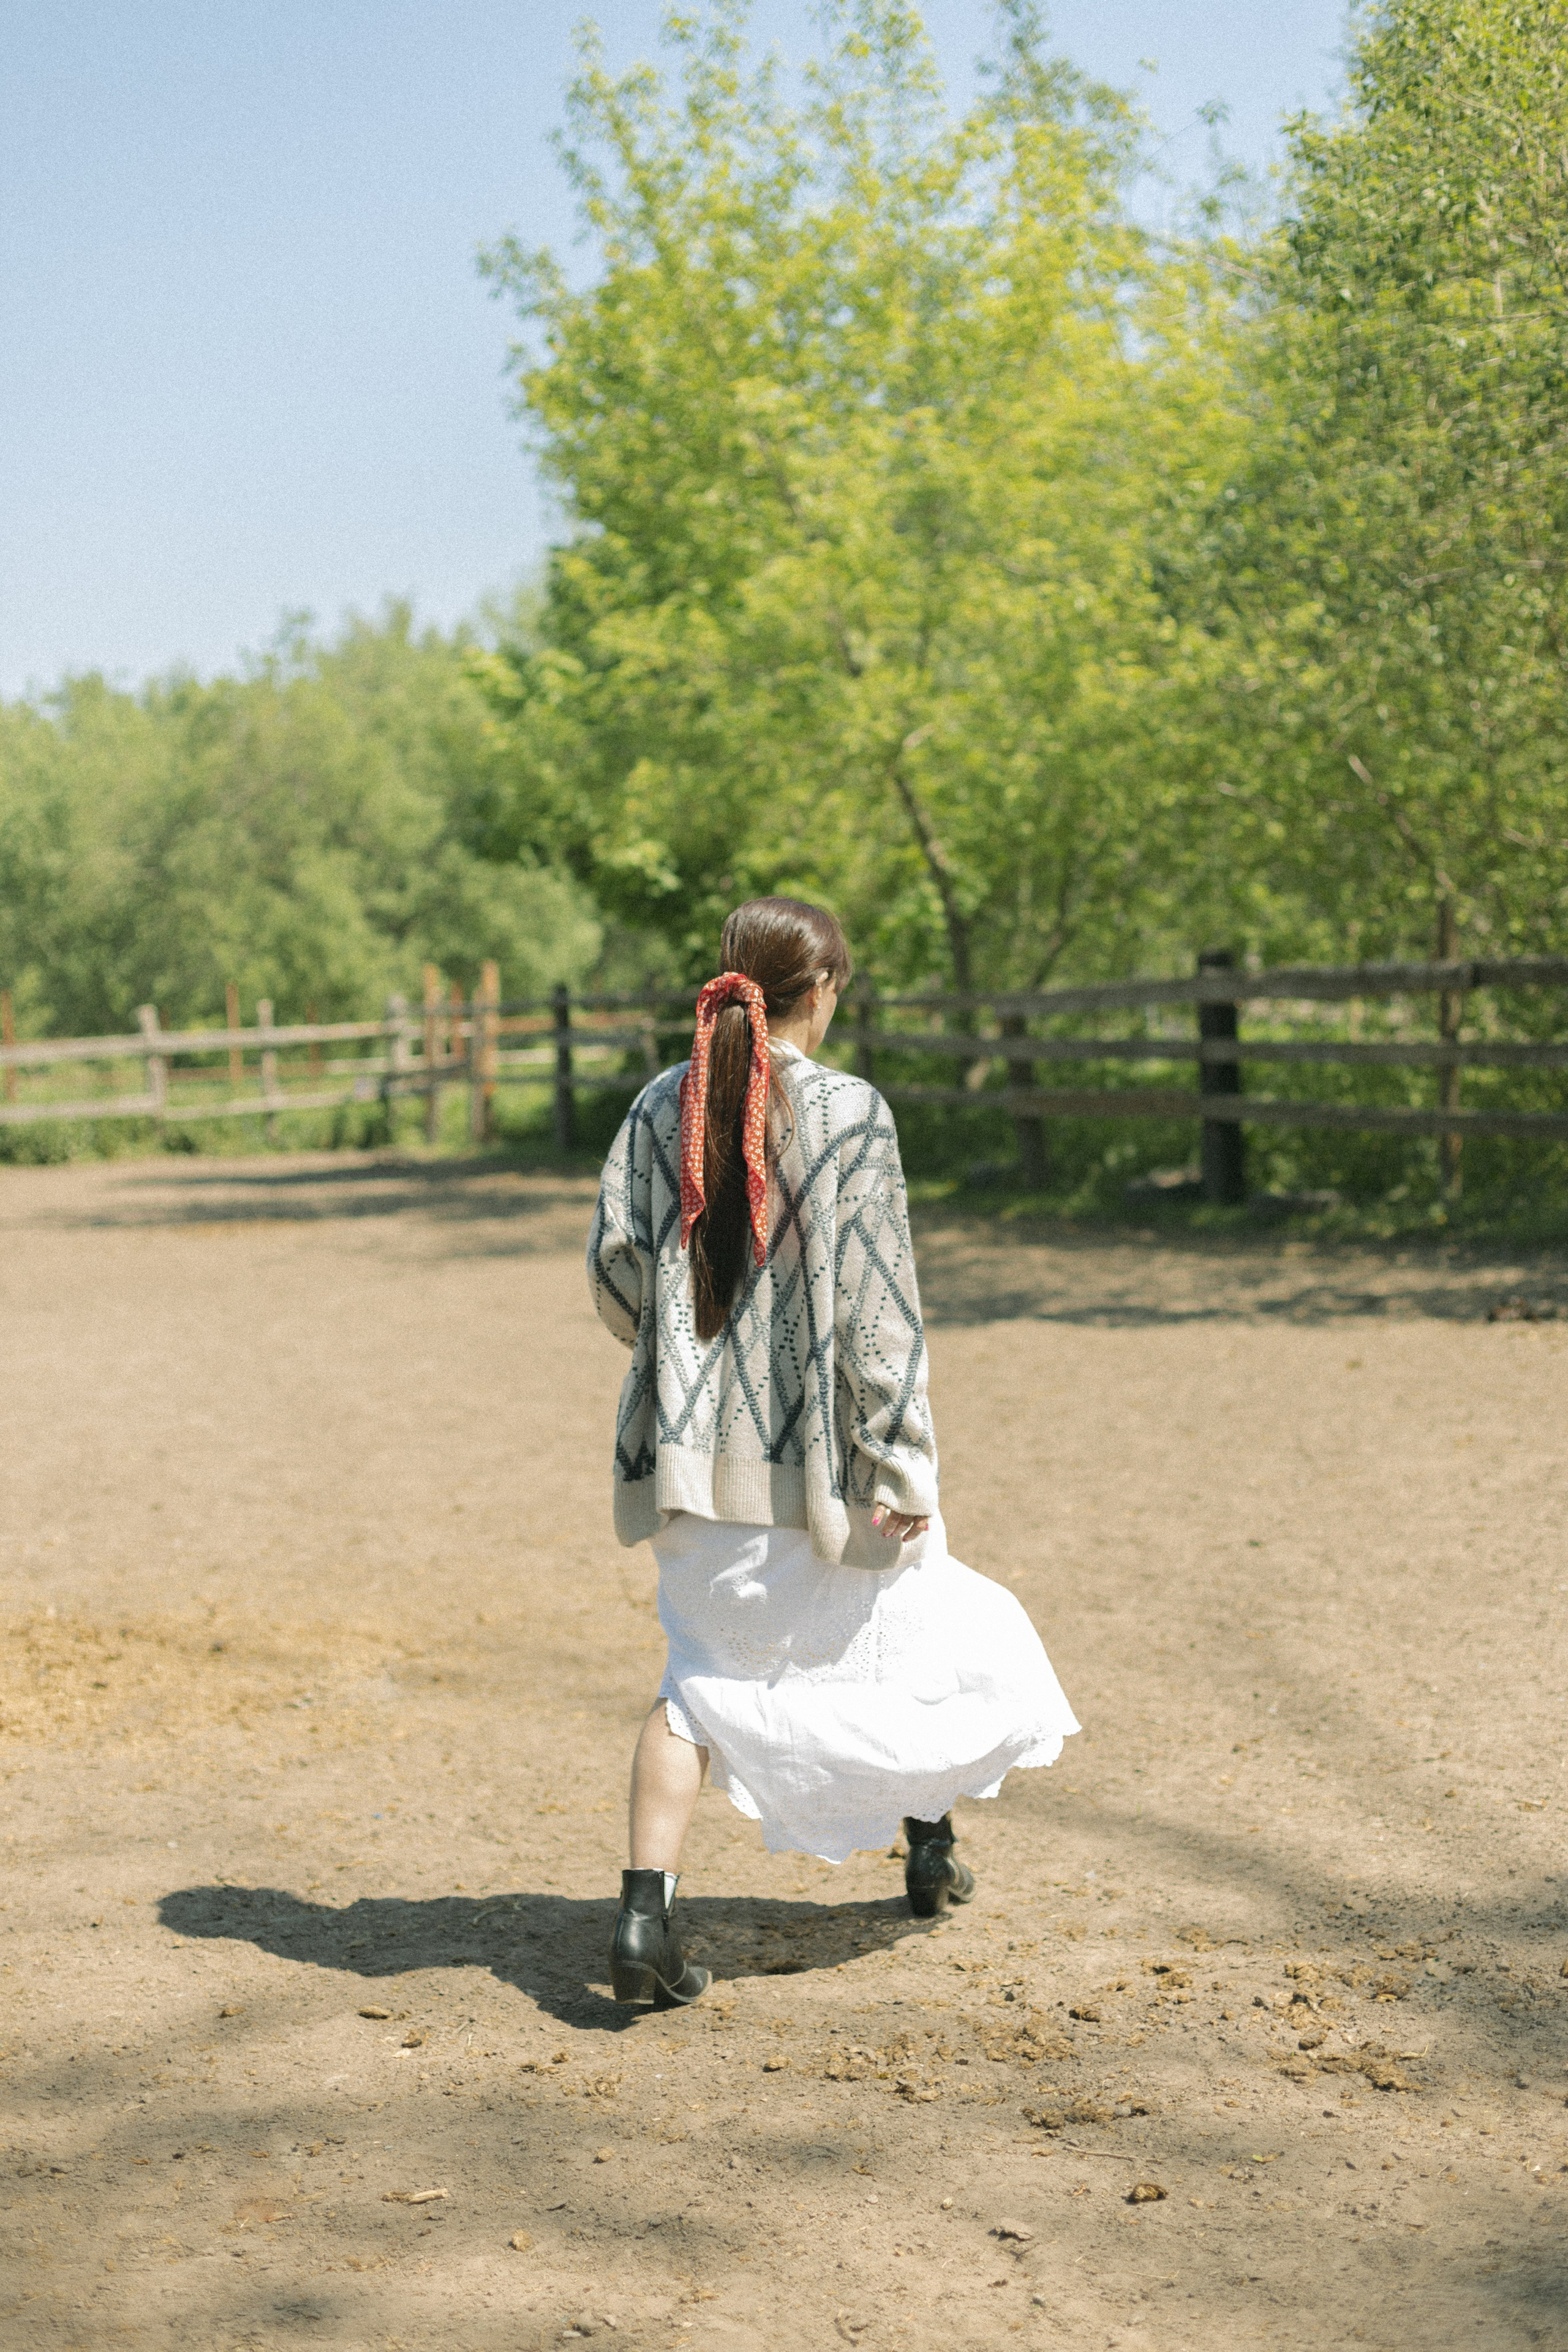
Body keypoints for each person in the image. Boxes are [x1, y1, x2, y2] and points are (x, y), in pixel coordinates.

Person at [587, 896, 1079, 2009]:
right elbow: (879, 1309)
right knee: (915, 1632)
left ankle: (641, 1922)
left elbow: (616, 1268)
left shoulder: (656, 1106)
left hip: (692, 1469)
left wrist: (682, 1358)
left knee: (697, 1687)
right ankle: (930, 1847)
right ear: (825, 992)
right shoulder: (851, 1116)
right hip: (828, 1466)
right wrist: (902, 1457)